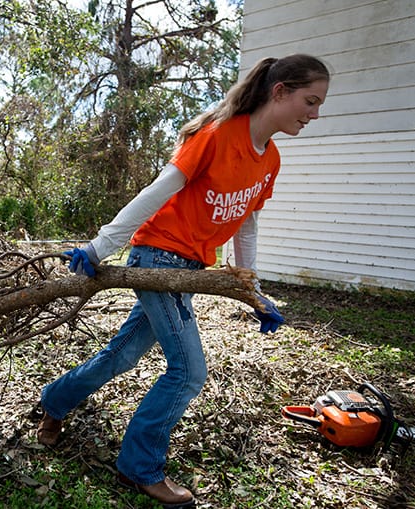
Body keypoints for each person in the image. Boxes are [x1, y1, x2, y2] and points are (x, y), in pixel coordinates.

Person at [36, 54, 330, 508]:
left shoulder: (269, 159)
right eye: (310, 101)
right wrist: (98, 248)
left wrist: (251, 291)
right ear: (280, 92)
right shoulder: (216, 135)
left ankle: (53, 402)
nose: (314, 114)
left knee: (124, 353)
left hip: (190, 268)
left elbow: (247, 223)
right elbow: (154, 193)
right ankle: (140, 466)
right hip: (157, 255)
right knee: (189, 371)